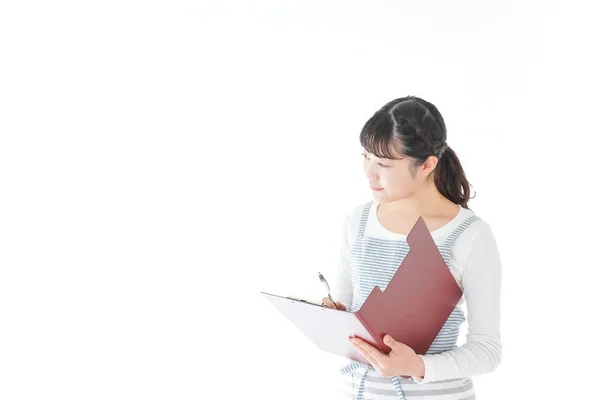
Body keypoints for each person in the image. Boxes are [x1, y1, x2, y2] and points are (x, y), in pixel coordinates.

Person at [321, 96, 502, 400]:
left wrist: (418, 366)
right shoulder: (358, 222)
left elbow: (487, 350)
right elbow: (347, 313)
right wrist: (330, 317)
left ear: (428, 164)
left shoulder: (469, 235)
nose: (369, 174)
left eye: (384, 164)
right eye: (365, 157)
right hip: (358, 392)